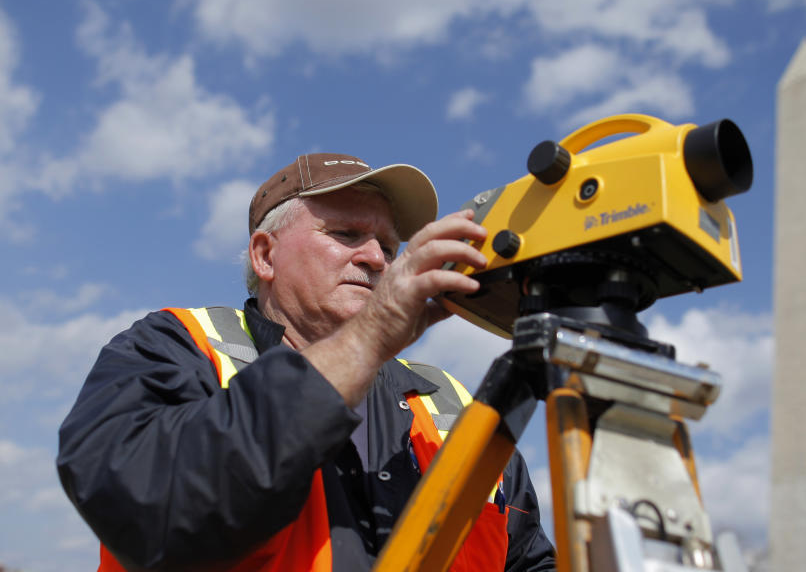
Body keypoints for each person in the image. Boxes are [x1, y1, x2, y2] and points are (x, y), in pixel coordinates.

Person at [57, 153, 556, 571]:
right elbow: (145, 509)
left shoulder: (457, 410)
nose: (377, 260)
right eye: (345, 234)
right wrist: (372, 336)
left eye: (387, 246)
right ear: (264, 256)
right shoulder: (178, 348)